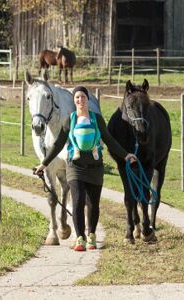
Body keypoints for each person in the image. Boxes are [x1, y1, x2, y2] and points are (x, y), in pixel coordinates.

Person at [34, 86, 137, 251]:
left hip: (95, 167)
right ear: (74, 101)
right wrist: (44, 163)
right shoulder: (71, 120)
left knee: (93, 203)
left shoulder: (96, 119)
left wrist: (126, 155)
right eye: (77, 98)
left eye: (82, 97)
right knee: (78, 201)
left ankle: (92, 235)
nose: (79, 100)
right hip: (75, 167)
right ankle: (80, 237)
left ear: (87, 100)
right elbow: (59, 143)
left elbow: (109, 140)